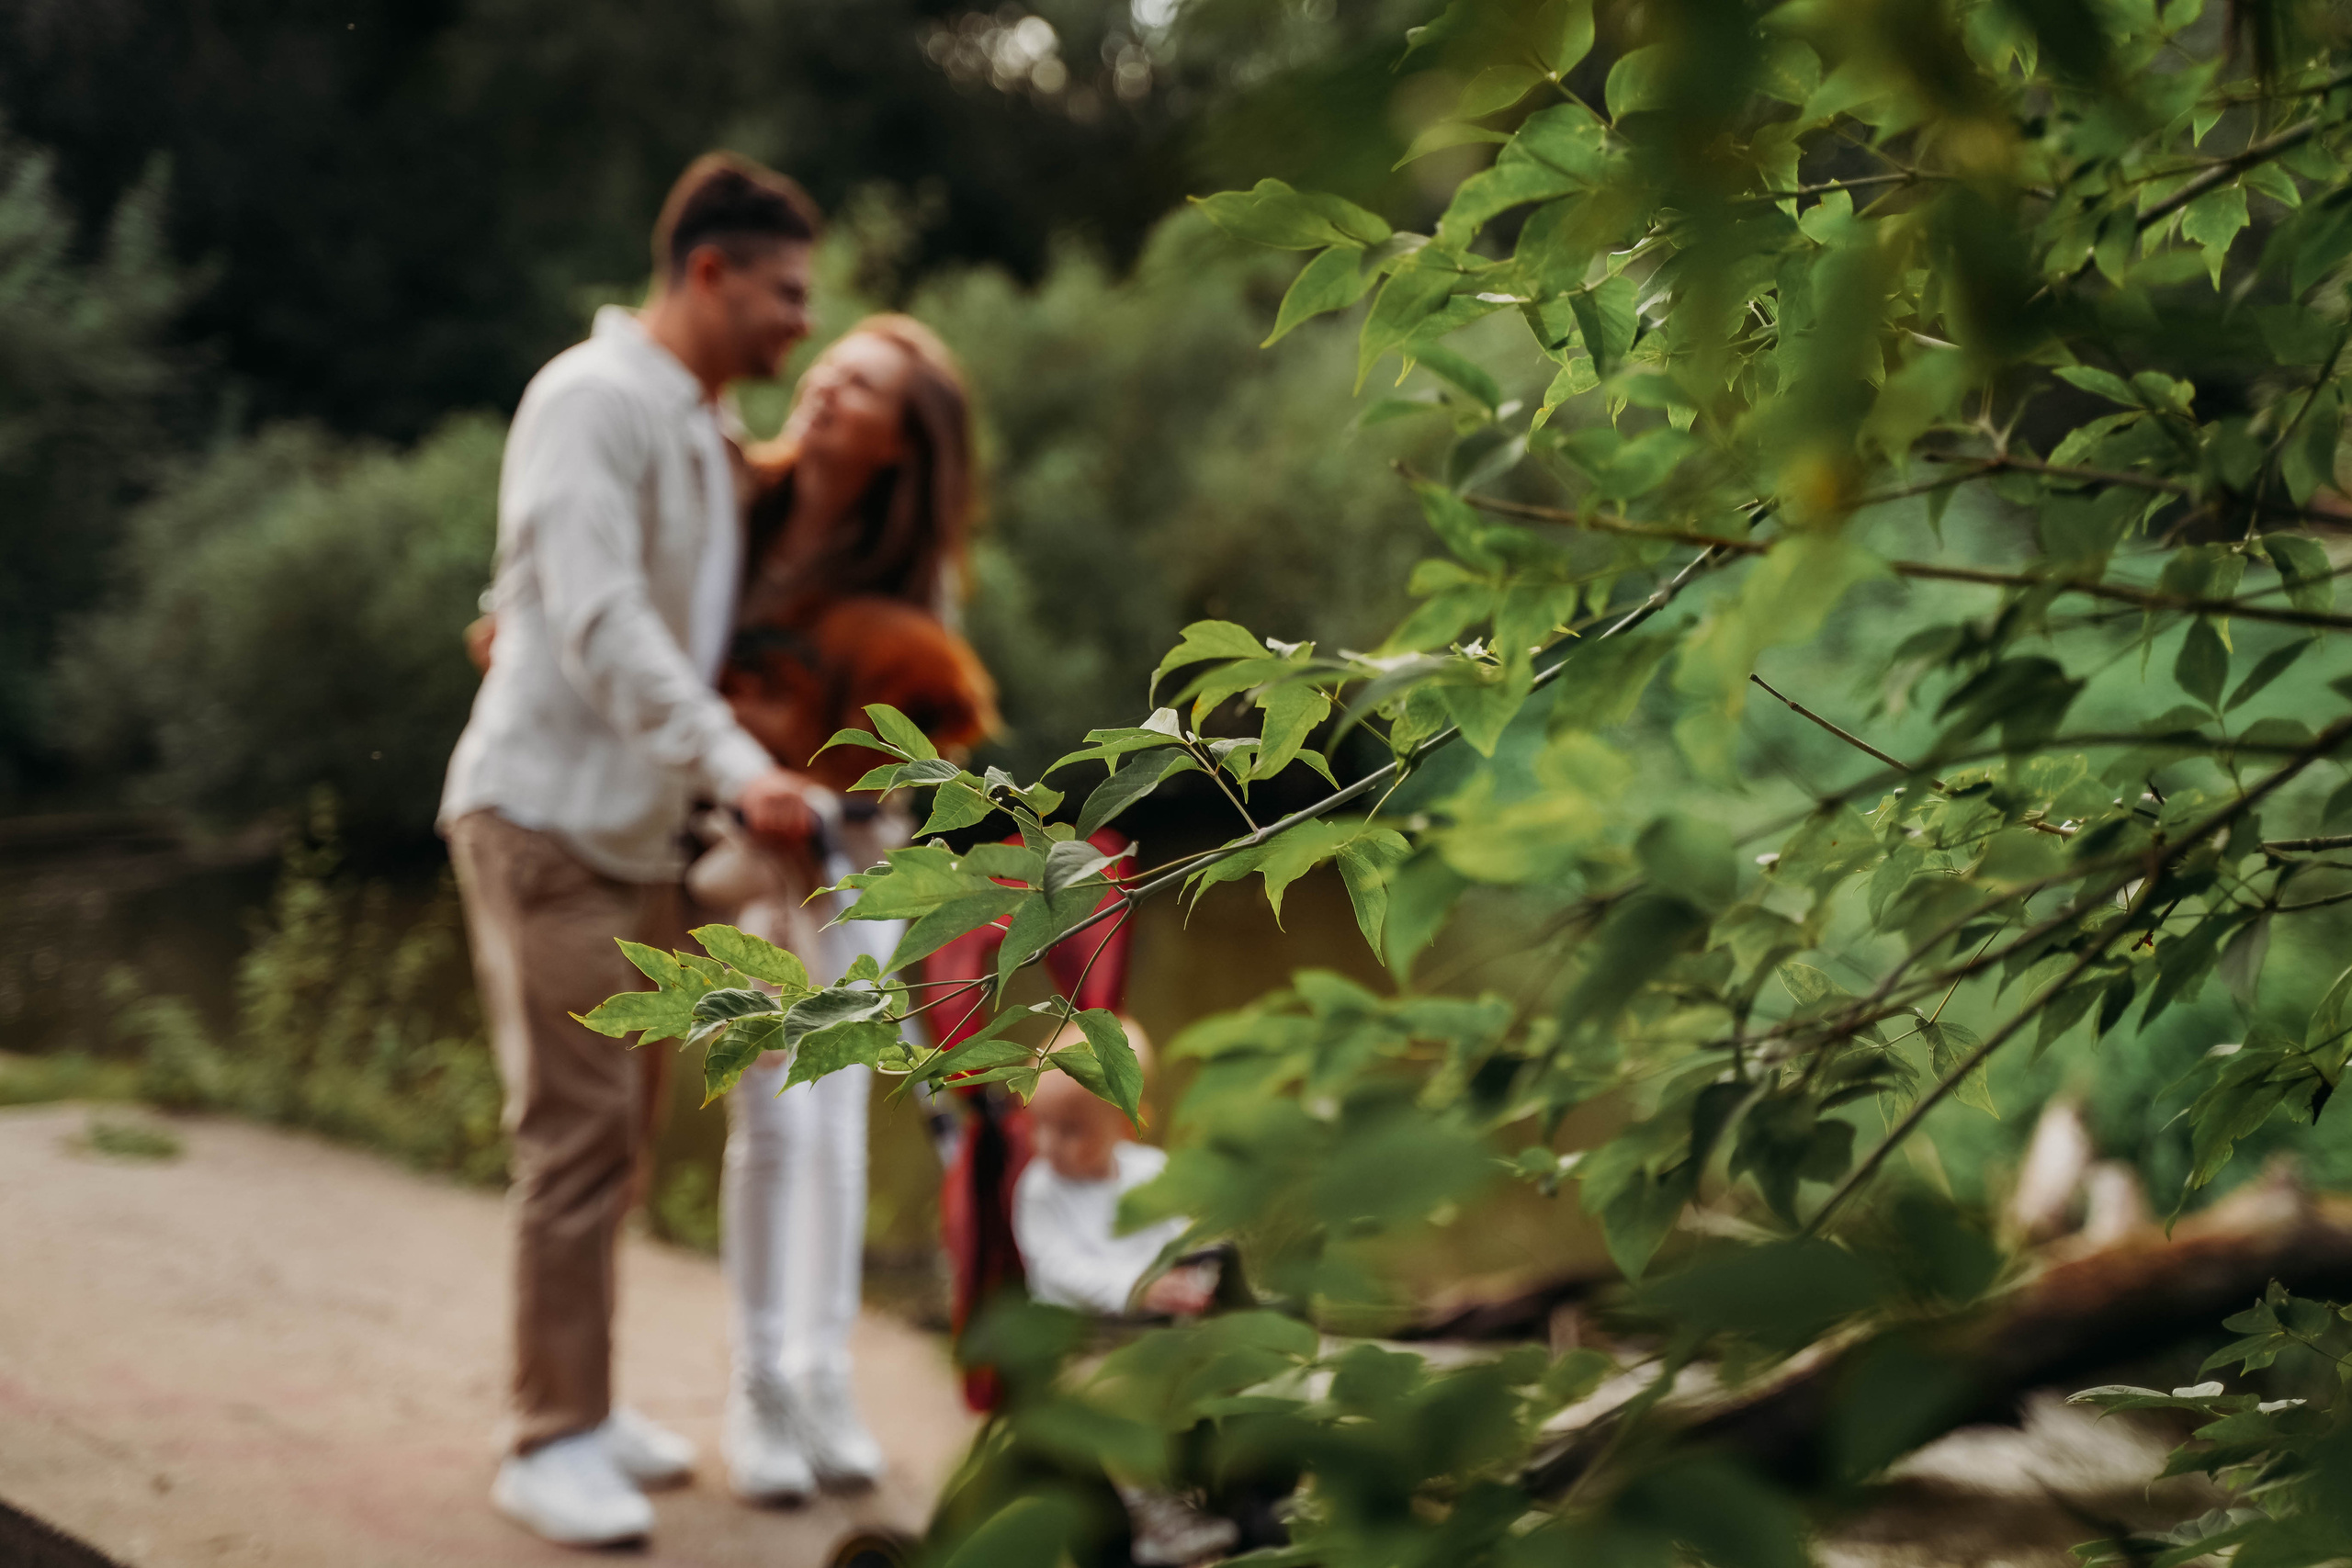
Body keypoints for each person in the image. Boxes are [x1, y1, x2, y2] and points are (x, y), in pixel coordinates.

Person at [437, 152, 825, 1549]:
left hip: (638, 833)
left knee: (630, 1129)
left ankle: (589, 1409)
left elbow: (549, 583)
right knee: (576, 1135)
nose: (802, 323)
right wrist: (742, 771)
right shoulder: (592, 397)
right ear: (707, 271)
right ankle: (545, 1440)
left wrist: (509, 615)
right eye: (787, 294)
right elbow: (602, 615)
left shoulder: (698, 423)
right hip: (548, 823)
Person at [696, 318, 980, 1504]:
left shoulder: (912, 583)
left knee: (837, 1123)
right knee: (774, 1118)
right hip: (730, 859)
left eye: (862, 385)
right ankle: (759, 1384)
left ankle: (823, 1375)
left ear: (899, 445)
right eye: (833, 365)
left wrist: (836, 791)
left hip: (855, 858)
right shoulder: (733, 504)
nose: (824, 384)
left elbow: (917, 747)